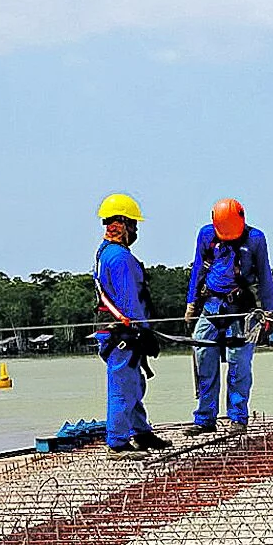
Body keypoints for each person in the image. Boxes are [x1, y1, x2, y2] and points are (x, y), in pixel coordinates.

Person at [184, 198, 273, 435]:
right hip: (212, 306)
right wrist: (191, 303)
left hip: (242, 310)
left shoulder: (255, 239)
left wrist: (270, 311)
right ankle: (205, 418)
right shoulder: (206, 235)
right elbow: (198, 268)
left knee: (239, 364)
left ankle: (237, 417)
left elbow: (265, 275)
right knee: (203, 357)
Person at [93, 193, 171, 456]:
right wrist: (143, 332)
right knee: (123, 386)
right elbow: (129, 301)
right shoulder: (119, 257)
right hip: (125, 333)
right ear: (123, 224)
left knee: (134, 383)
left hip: (119, 331)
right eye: (134, 225)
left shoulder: (105, 253)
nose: (136, 230)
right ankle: (117, 441)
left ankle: (141, 432)